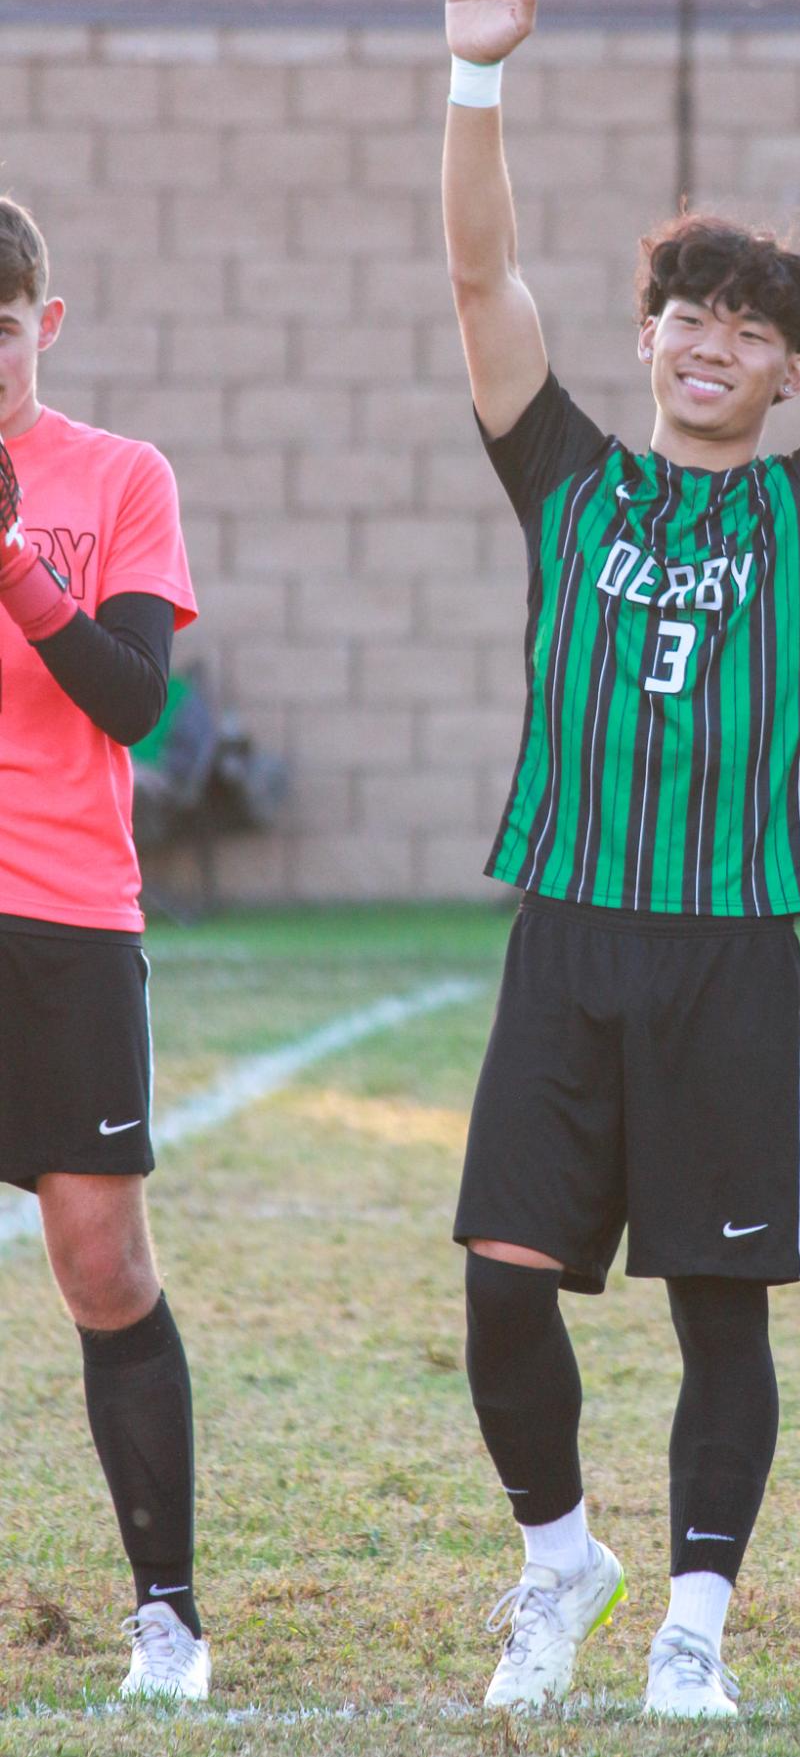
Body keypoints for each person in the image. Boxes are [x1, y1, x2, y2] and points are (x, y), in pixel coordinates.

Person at [440, 0, 800, 1718]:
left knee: (711, 1312)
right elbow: (480, 288)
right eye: (683, 319)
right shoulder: (568, 481)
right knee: (505, 1284)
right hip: (567, 935)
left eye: (744, 330)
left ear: (785, 372)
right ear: (649, 339)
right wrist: (474, 75)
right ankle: (556, 1560)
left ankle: (692, 1627)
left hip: (734, 952)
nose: (705, 345)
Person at [0, 198, 208, 1700]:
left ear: (43, 328)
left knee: (102, 1262)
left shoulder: (122, 476)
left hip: (69, 914)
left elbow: (138, 701)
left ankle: (169, 1618)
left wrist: (15, 559)